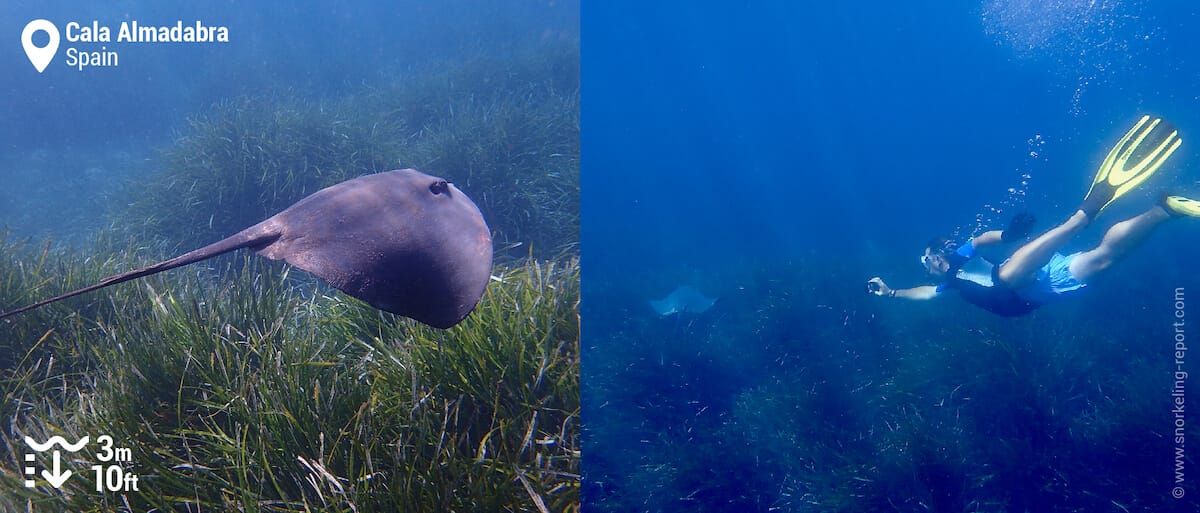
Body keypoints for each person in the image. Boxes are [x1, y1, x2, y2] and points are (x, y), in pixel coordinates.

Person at [868, 115, 1199, 317]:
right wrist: (893, 293)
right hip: (1043, 284)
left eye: (930, 256)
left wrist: (1009, 235)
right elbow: (925, 293)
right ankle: (1166, 209)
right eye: (928, 261)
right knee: (1105, 257)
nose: (932, 262)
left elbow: (980, 240)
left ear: (937, 253)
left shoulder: (959, 256)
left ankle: (1081, 218)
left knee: (1008, 277)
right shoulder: (947, 284)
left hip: (1020, 276)